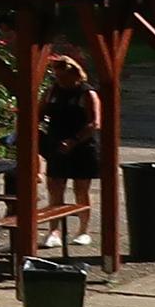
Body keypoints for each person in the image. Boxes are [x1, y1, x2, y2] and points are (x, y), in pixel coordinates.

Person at [37, 53, 105, 204]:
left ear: (74, 74)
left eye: (63, 77)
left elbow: (95, 123)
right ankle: (55, 227)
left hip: (83, 145)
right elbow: (38, 114)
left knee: (80, 189)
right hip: (57, 143)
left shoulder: (87, 93)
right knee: (54, 187)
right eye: (57, 76)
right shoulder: (51, 92)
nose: (60, 81)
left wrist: (73, 141)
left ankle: (82, 227)